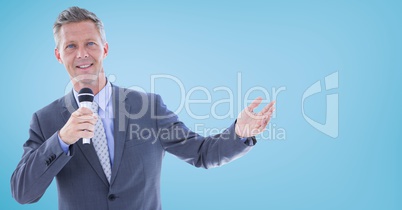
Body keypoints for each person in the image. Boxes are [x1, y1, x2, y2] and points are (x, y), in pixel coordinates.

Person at [11, 6, 275, 210]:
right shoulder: (45, 120)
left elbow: (202, 154)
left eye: (90, 43)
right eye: (71, 46)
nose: (82, 54)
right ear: (59, 55)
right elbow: (23, 193)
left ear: (105, 48)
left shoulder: (147, 107)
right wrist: (61, 140)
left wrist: (239, 133)